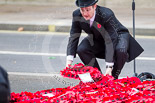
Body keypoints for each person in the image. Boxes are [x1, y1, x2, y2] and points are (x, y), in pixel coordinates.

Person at [66, 0, 144, 79]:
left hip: (118, 35)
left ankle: (113, 77)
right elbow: (74, 36)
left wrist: (109, 67)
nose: (85, 14)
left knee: (120, 50)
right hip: (98, 38)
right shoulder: (76, 14)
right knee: (82, 49)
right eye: (82, 10)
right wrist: (69, 62)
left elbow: (110, 39)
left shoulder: (106, 14)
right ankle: (97, 77)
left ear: (95, 7)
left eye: (88, 10)